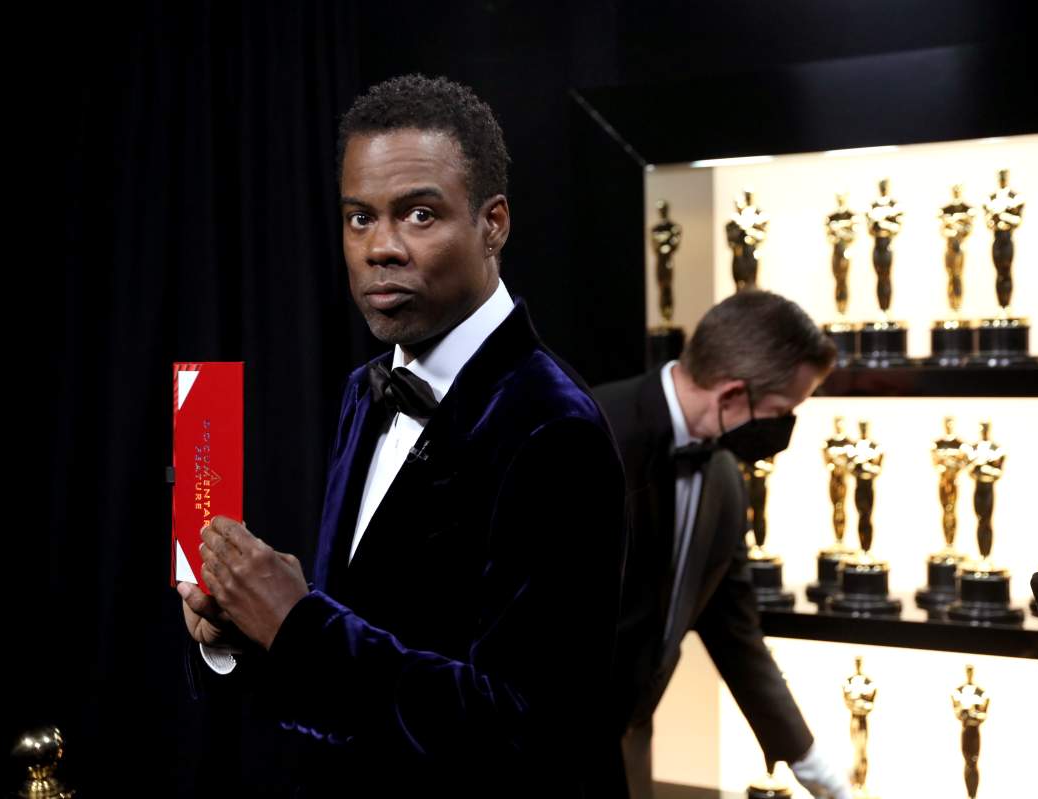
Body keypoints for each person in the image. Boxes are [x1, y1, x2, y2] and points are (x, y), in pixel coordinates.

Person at [176, 74, 627, 797]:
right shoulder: (367, 388)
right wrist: (246, 634)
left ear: (494, 224)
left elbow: (531, 731)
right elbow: (356, 671)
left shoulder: (555, 424)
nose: (380, 248)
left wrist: (298, 624)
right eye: (360, 218)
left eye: (419, 215)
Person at [594, 290, 851, 799]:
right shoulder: (585, 430)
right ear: (733, 395)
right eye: (782, 412)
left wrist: (814, 766)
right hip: (535, 753)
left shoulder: (725, 479)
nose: (785, 430)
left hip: (630, 745)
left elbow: (733, 626)